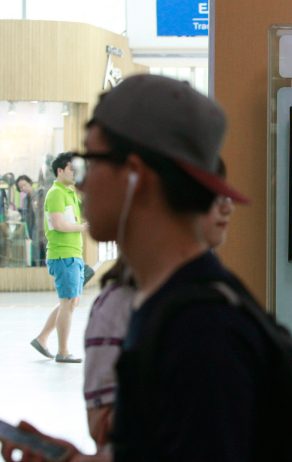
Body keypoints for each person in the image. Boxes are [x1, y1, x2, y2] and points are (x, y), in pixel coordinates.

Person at [0, 74, 263, 462]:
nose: (83, 185)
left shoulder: (197, 330)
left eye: (90, 161)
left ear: (136, 176)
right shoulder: (175, 305)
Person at [83, 166, 235, 455]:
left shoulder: (220, 294)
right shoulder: (118, 305)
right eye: (211, 196)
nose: (227, 207)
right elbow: (102, 425)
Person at [30, 152, 89, 363]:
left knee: (70, 302)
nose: (75, 173)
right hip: (63, 254)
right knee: (68, 302)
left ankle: (42, 338)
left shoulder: (70, 193)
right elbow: (58, 224)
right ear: (60, 171)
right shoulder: (55, 193)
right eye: (71, 169)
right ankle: (62, 351)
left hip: (73, 254)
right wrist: (83, 227)